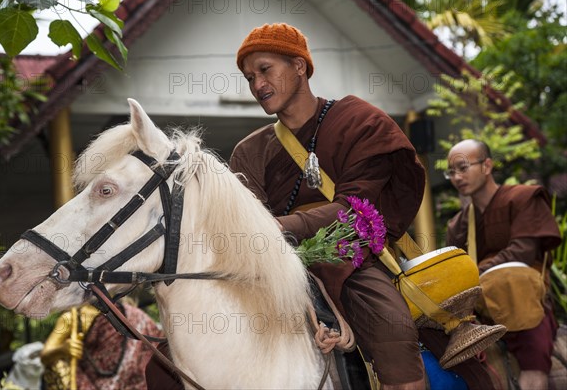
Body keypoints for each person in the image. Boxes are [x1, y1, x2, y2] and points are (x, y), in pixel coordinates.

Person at [228, 22, 428, 390]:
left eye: (265, 70)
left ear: (299, 66)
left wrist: (283, 226)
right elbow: (245, 226)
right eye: (249, 77)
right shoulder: (249, 152)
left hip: (351, 260)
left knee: (393, 327)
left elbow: (357, 209)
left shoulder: (359, 122)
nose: (257, 85)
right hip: (277, 271)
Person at [445, 139, 562, 390]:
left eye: (463, 167)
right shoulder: (458, 225)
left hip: (524, 300)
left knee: (533, 360)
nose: (457, 176)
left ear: (487, 166)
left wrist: (479, 272)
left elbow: (523, 250)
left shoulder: (523, 198)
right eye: (451, 171)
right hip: (481, 309)